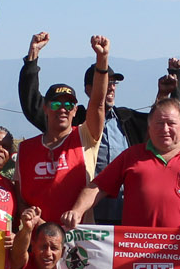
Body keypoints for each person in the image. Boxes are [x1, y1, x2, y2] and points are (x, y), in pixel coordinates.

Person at [19, 32, 180, 223]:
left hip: (124, 209)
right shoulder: (75, 122)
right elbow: (33, 105)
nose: (111, 87)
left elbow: (166, 124)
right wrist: (31, 59)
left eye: (114, 83)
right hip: (85, 212)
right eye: (107, 82)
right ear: (90, 88)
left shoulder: (127, 119)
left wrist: (171, 86)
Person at [63, 98, 180, 233]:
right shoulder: (132, 155)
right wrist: (77, 211)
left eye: (171, 123)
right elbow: (98, 187)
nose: (165, 129)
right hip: (136, 252)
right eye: (159, 123)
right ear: (149, 127)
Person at [16, 36, 112, 225]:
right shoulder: (26, 149)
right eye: (55, 104)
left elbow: (98, 103)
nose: (62, 109)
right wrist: (34, 221)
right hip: (39, 238)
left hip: (78, 236)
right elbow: (20, 198)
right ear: (45, 108)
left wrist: (102, 60)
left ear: (75, 110)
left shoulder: (85, 137)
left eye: (69, 105)